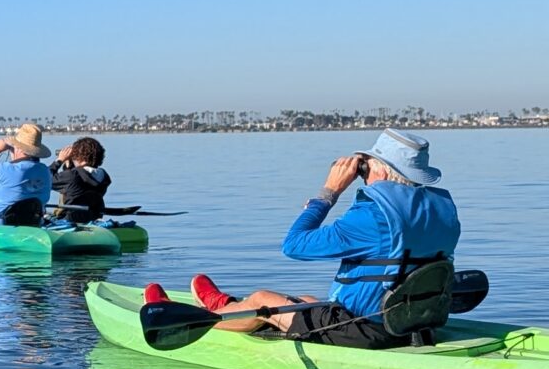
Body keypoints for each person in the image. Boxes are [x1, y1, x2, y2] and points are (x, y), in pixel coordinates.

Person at [143, 130, 459, 349]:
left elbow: (294, 245)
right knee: (306, 300)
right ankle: (226, 305)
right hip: (411, 322)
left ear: (384, 171)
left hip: (368, 331)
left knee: (263, 300)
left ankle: (202, 317)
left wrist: (328, 194)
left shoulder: (374, 217)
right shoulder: (442, 213)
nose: (363, 177)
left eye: (365, 169)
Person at [49, 137, 113, 224]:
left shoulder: (72, 175)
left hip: (70, 221)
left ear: (79, 157)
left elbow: (45, 179)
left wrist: (59, 161)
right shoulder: (104, 176)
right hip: (94, 219)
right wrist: (69, 167)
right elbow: (77, 182)